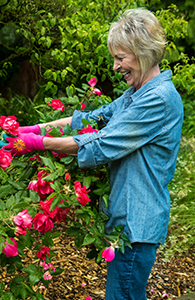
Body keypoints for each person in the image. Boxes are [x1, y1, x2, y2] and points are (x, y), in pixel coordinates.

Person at [2, 8, 183, 300]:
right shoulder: (136, 95)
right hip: (127, 222)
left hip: (136, 226)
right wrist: (25, 129)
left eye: (120, 57)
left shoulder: (158, 100)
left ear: (143, 53)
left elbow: (101, 143)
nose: (114, 66)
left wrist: (36, 143)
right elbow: (88, 120)